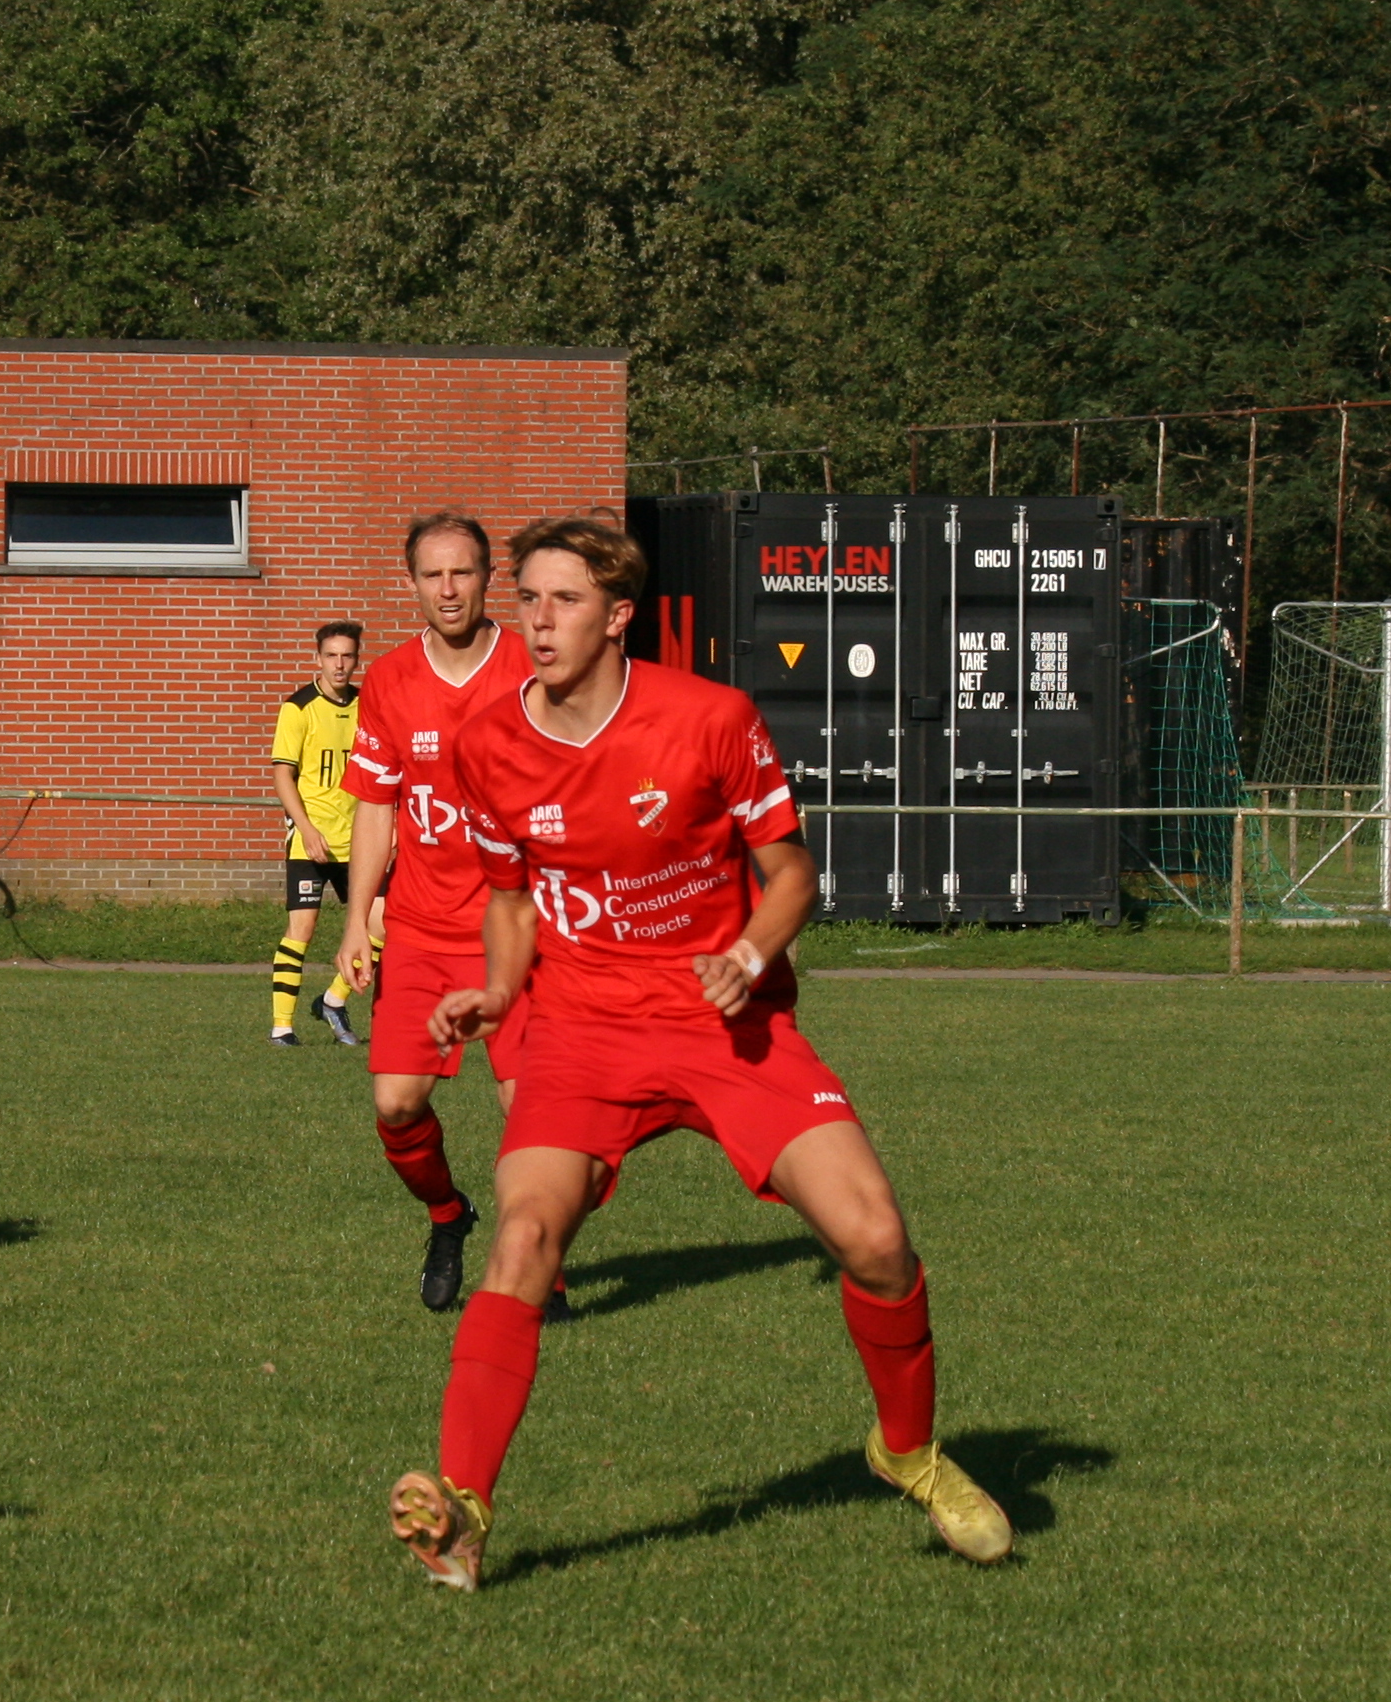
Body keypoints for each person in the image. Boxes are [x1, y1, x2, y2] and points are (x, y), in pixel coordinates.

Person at [388, 516, 1013, 1591]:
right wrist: (496, 991)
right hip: (582, 1031)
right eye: (526, 598)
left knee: (876, 1241)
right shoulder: (489, 745)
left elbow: (792, 875)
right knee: (526, 1237)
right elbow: (512, 902)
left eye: (564, 600)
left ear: (619, 615)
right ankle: (465, 1508)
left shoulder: (711, 719)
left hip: (728, 1025)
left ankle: (906, 1453)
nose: (537, 621)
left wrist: (750, 950)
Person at [341, 513, 534, 1309]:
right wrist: (356, 919)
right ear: (412, 583)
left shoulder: (535, 663)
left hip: (521, 929)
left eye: (462, 573)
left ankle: (536, 1266)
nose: (448, 590)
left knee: (532, 1115)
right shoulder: (388, 680)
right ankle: (448, 1214)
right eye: (432, 575)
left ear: (489, 578)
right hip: (420, 928)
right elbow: (377, 809)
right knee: (395, 1103)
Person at [263, 620, 368, 1047]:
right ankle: (282, 1027)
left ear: (356, 659)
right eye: (332, 656)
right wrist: (305, 829)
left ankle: (333, 1000)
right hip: (312, 840)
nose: (340, 664)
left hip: (359, 841)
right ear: (317, 659)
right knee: (301, 929)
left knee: (382, 926)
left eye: (347, 656)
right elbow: (282, 776)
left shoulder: (369, 706)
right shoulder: (297, 708)